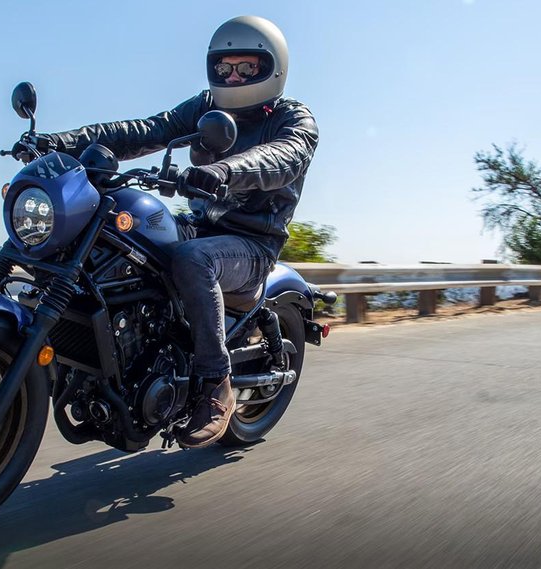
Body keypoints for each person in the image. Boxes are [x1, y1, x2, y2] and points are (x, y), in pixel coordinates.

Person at [17, 16, 318, 448]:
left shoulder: (294, 119)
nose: (233, 76)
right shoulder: (205, 106)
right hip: (199, 226)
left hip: (252, 243)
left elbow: (281, 157)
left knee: (192, 260)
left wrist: (223, 171)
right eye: (224, 68)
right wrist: (60, 142)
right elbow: (145, 130)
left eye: (246, 68)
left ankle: (216, 384)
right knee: (119, 238)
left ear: (272, 68)